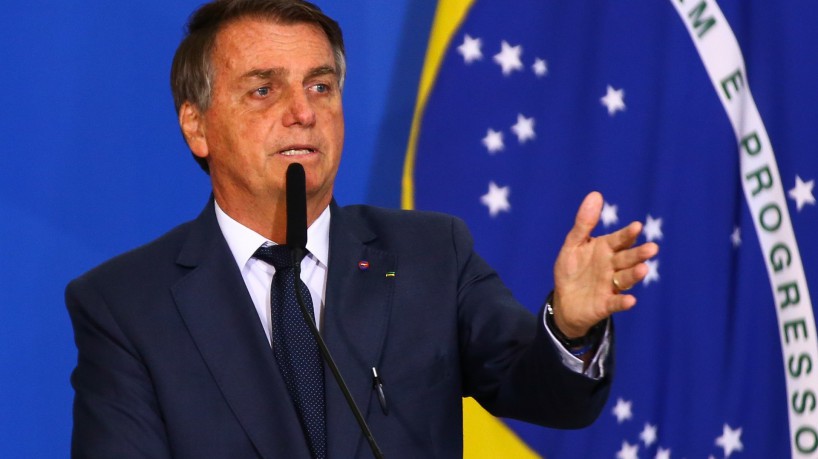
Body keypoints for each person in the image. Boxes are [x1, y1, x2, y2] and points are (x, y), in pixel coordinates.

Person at [65, 0, 659, 457]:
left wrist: (570, 328)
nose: (303, 111)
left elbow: (549, 395)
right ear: (197, 126)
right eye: (264, 90)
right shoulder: (126, 306)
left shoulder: (432, 255)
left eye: (320, 86)